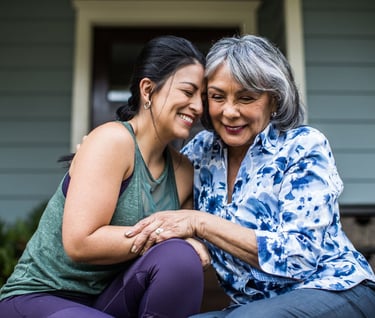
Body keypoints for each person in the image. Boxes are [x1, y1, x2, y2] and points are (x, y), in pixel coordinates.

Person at [125, 35, 375, 317]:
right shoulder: (199, 153)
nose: (230, 112)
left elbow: (299, 258)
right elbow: (146, 190)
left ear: (274, 100)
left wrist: (200, 223)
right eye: (217, 97)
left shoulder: (302, 146)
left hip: (335, 289)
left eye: (246, 98)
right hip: (251, 309)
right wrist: (108, 151)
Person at [0, 35, 209, 317]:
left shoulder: (183, 171)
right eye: (188, 91)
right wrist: (168, 235)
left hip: (110, 300)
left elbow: (184, 247)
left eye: (203, 97)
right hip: (40, 295)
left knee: (180, 258)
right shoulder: (112, 141)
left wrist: (189, 242)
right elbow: (80, 242)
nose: (198, 106)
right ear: (148, 90)